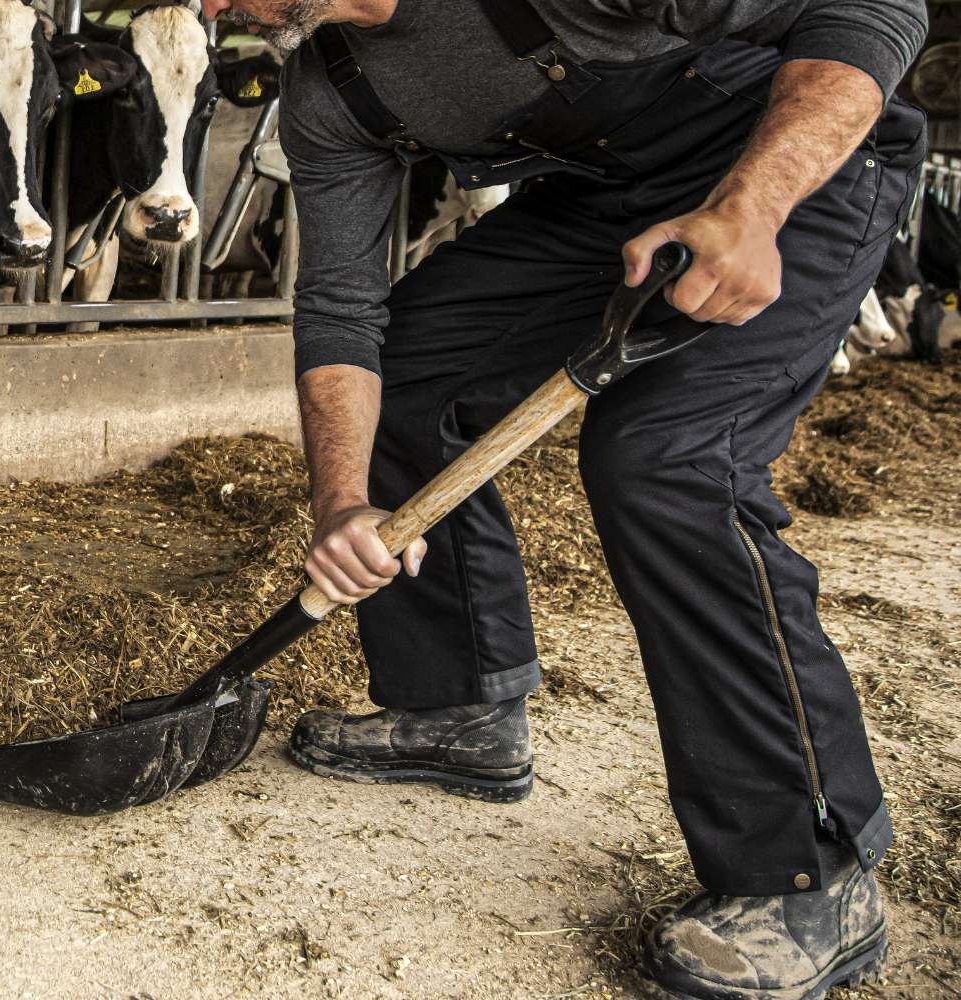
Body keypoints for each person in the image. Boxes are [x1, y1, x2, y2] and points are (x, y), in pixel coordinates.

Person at [196, 0, 929, 995]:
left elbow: (870, 7)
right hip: (603, 200)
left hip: (790, 161)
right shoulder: (328, 94)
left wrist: (752, 206)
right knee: (409, 371)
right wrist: (340, 505)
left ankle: (807, 871)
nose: (206, 8)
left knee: (666, 461)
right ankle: (457, 709)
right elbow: (340, 308)